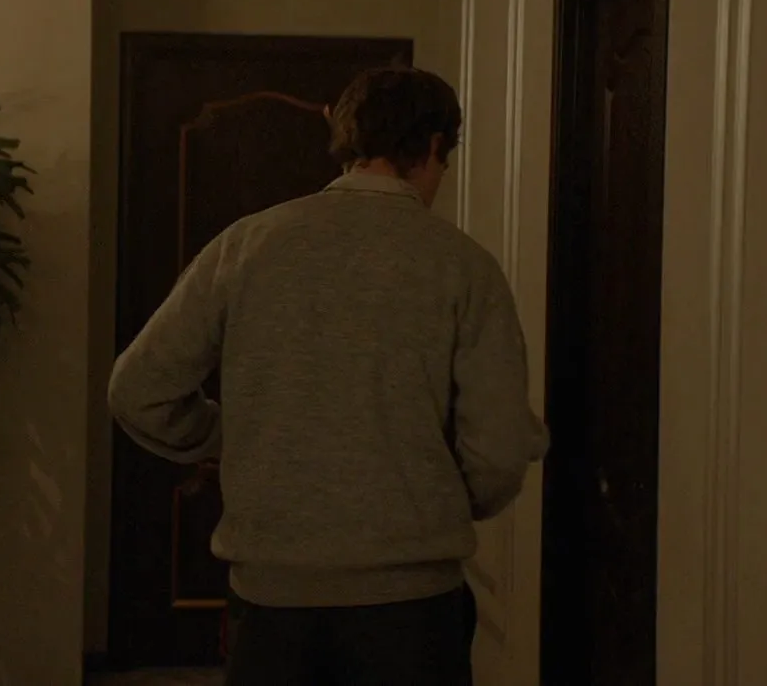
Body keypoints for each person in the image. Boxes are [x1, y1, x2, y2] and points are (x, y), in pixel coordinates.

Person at [107, 66, 549, 686]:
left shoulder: (246, 245)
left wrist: (233, 436)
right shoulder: (463, 266)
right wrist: (441, 495)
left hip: (272, 600)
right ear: (432, 146)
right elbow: (499, 447)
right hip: (410, 603)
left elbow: (139, 391)